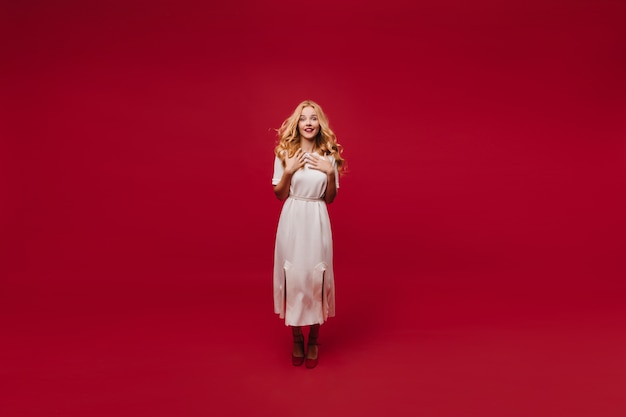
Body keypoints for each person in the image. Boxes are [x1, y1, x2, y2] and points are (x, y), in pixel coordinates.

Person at [272, 100, 345, 369]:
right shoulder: (284, 153)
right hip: (292, 219)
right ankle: (296, 338)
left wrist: (330, 175)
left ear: (320, 123)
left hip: (317, 218)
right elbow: (279, 194)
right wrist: (289, 171)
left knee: (316, 275)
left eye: (314, 118)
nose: (309, 123)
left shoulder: (329, 155)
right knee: (294, 275)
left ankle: (314, 337)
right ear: (298, 124)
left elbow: (331, 199)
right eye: (304, 119)